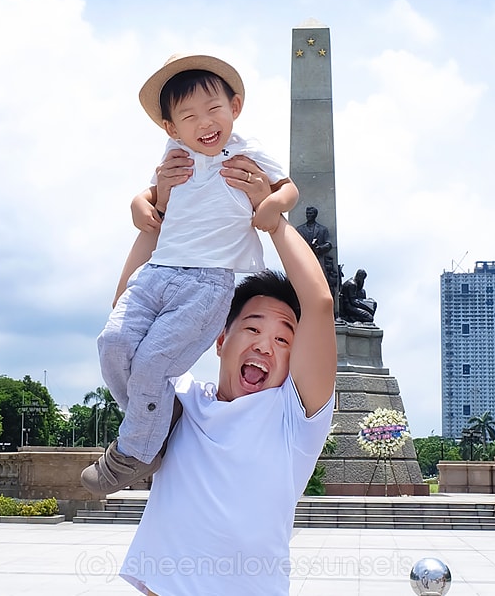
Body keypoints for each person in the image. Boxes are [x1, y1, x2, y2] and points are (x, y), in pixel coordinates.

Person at [82, 54, 299, 495]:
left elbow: (288, 188)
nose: (205, 122)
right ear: (171, 128)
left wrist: (274, 205)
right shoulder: (174, 154)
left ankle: (136, 452)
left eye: (214, 109)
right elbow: (152, 196)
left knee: (152, 362)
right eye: (189, 115)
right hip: (157, 272)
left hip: (207, 281)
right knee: (112, 344)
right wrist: (139, 203)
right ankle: (158, 418)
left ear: (235, 107)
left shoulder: (247, 149)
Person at [117, 193, 337, 594]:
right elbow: (127, 324)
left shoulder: (294, 418)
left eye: (283, 339)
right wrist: (152, 226)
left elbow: (320, 304)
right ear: (221, 339)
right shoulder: (181, 400)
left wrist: (275, 224)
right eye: (252, 328)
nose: (264, 347)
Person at [295, 206, 337, 292]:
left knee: (321, 282)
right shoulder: (299, 229)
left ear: (315, 215)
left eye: (310, 213)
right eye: (307, 213)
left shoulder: (322, 229)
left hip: (318, 259)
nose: (308, 215)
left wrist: (319, 248)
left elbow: (328, 244)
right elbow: (294, 244)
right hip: (303, 260)